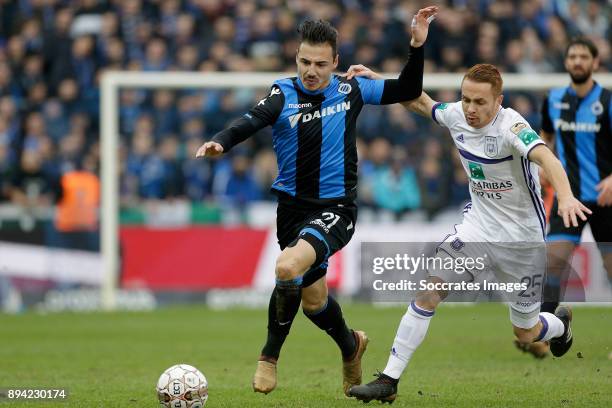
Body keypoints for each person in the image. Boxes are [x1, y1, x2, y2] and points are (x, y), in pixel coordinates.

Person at [195, 6, 438, 396]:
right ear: (296, 58)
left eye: (321, 64)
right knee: (314, 302)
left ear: (336, 62)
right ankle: (351, 345)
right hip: (291, 210)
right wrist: (221, 141)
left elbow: (407, 90)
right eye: (305, 61)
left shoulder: (351, 89)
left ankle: (268, 358)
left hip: (336, 209)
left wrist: (416, 45)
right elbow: (250, 121)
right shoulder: (282, 92)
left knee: (287, 266)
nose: (311, 70)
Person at [344, 63, 591, 403]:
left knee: (526, 333)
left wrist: (564, 196)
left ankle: (560, 322)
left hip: (522, 242)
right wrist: (380, 85)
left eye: (480, 102)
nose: (471, 109)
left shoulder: (512, 126)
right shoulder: (457, 114)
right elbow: (420, 103)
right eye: (466, 99)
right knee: (429, 291)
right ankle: (389, 379)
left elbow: (547, 159)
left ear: (498, 101)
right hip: (477, 227)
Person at [517, 37, 612, 359]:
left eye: (583, 56)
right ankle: (542, 333)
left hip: (605, 198)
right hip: (568, 197)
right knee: (553, 263)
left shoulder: (608, 100)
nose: (577, 61)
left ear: (595, 63)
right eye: (572, 56)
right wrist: (544, 165)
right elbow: (546, 137)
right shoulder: (554, 99)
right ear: (566, 62)